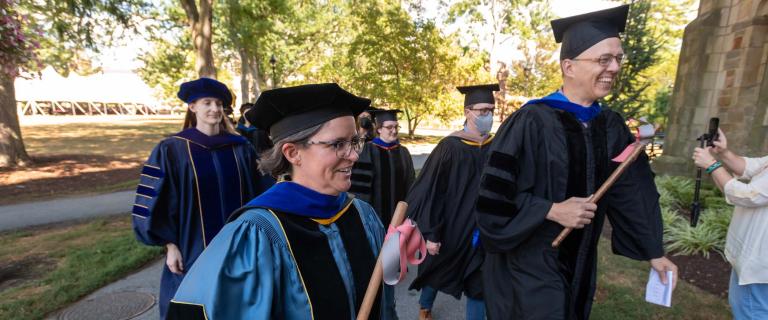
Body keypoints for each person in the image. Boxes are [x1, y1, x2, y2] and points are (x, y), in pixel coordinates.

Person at [475, 5, 678, 319]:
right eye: (603, 59)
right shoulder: (530, 121)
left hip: (581, 260)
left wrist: (654, 251)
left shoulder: (610, 125)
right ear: (569, 66)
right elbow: (493, 199)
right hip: (528, 263)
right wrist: (552, 209)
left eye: (618, 59)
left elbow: (631, 191)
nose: (614, 67)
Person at [166, 83, 393, 320]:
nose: (354, 155)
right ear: (293, 153)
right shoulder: (257, 234)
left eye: (354, 141)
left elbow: (385, 304)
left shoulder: (362, 215)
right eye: (337, 144)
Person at [131, 77, 274, 319]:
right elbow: (156, 202)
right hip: (192, 249)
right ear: (192, 106)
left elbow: (262, 194)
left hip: (238, 247)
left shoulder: (241, 148)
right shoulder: (172, 150)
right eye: (207, 103)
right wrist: (170, 245)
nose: (215, 109)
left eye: (219, 104)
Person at [408, 84, 498, 320]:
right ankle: (425, 305)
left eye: (491, 109)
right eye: (482, 111)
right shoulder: (450, 147)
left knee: (479, 285)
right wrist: (432, 234)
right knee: (438, 270)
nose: (487, 115)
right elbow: (432, 192)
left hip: (483, 230)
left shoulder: (496, 145)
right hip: (452, 228)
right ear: (468, 111)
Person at [692, 128, 768, 320]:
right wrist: (724, 153)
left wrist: (711, 165)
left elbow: (748, 195)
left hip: (759, 266)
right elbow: (750, 167)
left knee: (752, 312)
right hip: (754, 261)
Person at [351, 108, 415, 227]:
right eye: (389, 127)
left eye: (396, 127)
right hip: (374, 218)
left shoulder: (403, 152)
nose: (394, 131)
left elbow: (410, 184)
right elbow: (360, 189)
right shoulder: (367, 150)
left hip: (400, 217)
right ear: (379, 129)